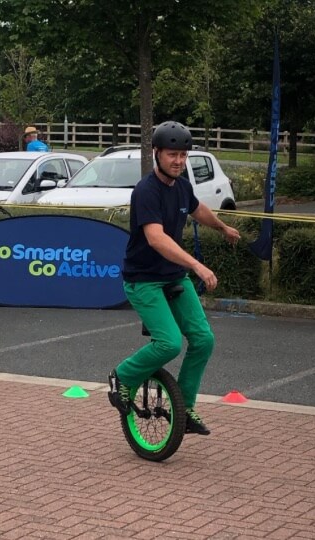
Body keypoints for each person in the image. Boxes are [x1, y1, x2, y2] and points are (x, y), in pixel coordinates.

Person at [108, 120, 241, 435]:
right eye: (172, 154)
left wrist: (222, 227)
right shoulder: (146, 191)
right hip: (143, 280)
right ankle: (122, 376)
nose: (179, 161)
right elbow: (156, 238)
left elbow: (197, 209)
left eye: (183, 155)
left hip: (172, 277)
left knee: (203, 340)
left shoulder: (182, 186)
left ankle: (184, 405)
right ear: (156, 153)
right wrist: (197, 265)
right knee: (168, 344)